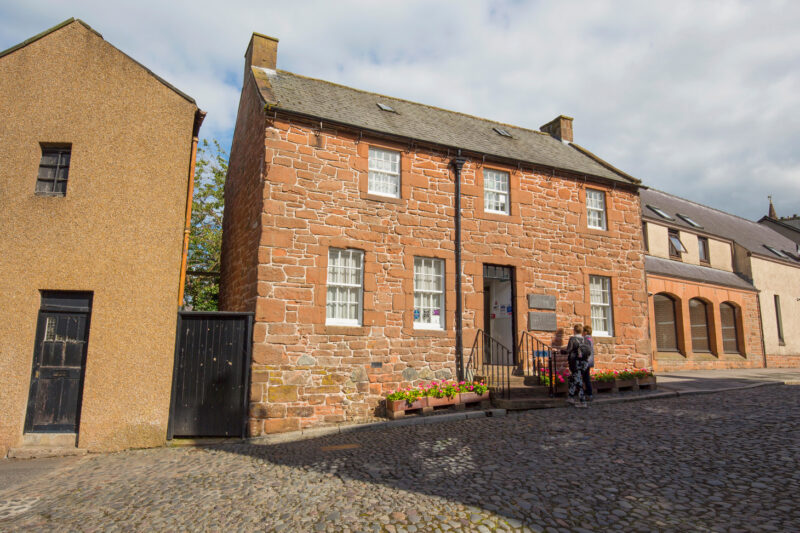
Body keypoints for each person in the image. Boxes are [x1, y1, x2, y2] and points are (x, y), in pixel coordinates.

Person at [561, 324, 588, 407]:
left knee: (578, 381)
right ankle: (571, 397)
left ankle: (582, 401)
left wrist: (562, 351)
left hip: (575, 363)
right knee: (573, 379)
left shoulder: (573, 339)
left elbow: (569, 350)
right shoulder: (585, 339)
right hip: (584, 363)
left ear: (574, 330)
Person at [582, 325, 595, 401]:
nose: (582, 333)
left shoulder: (586, 339)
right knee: (586, 377)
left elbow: (586, 350)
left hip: (586, 361)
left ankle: (589, 394)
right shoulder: (590, 339)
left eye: (583, 331)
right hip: (589, 361)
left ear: (585, 332)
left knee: (586, 378)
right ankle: (587, 393)